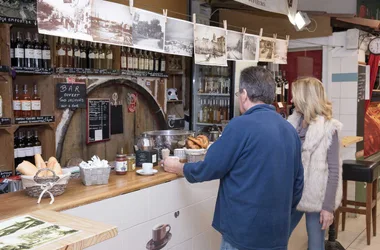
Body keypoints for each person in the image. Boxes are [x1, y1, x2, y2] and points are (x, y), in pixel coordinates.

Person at [163, 67, 304, 250]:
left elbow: (209, 168)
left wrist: (179, 167)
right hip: (277, 235)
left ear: (244, 94)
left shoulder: (240, 125)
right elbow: (298, 185)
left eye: (238, 93)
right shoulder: (289, 130)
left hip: (243, 234)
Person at [288, 77, 342, 250]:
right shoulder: (291, 125)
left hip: (316, 198)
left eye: (294, 96)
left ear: (305, 98)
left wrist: (328, 208)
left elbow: (334, 171)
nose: (291, 100)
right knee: (277, 238)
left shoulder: (328, 128)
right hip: (292, 194)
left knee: (315, 245)